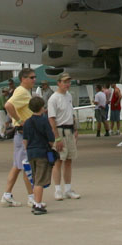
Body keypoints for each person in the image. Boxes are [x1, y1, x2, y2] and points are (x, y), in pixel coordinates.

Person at [1, 68, 37, 208]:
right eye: (31, 77)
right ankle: (31, 197)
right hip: (23, 134)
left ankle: (7, 194)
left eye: (34, 77)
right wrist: (19, 119)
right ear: (23, 78)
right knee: (26, 165)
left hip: (21, 134)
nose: (34, 80)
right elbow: (8, 105)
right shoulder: (22, 91)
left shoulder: (22, 91)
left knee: (17, 165)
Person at [47, 73, 80, 201]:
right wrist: (57, 138)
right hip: (60, 130)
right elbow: (51, 119)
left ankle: (68, 188)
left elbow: (71, 112)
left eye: (69, 82)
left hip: (69, 130)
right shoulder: (54, 98)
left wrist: (75, 128)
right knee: (58, 160)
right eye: (65, 82)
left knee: (69, 160)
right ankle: (57, 190)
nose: (67, 84)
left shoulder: (69, 96)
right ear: (58, 83)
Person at [22, 95, 55, 215]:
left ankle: (36, 202)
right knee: (40, 181)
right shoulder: (44, 121)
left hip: (31, 153)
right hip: (42, 152)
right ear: (42, 107)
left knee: (35, 178)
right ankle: (38, 204)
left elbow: (25, 140)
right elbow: (51, 139)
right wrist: (51, 146)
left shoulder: (27, 122)